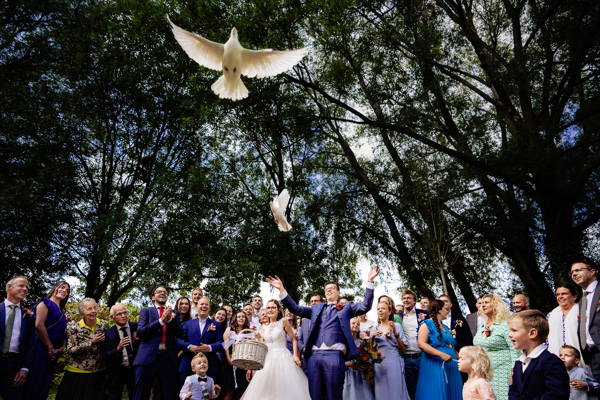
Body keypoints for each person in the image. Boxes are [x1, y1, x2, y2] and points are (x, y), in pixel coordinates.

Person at [267, 265, 379, 400]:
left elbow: (365, 305)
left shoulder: (347, 307)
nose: (328, 290)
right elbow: (296, 309)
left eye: (332, 288)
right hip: (314, 356)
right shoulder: (316, 308)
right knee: (315, 395)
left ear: (339, 293)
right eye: (326, 289)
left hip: (334, 355)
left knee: (333, 395)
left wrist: (370, 281)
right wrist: (282, 290)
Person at [240, 299, 309, 400]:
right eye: (268, 307)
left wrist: (295, 355)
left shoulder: (283, 321)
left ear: (278, 309)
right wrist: (258, 338)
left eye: (273, 307)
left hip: (283, 357)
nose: (270, 310)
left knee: (284, 388)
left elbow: (294, 340)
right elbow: (262, 345)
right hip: (268, 359)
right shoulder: (264, 326)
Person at [133, 285, 184, 400]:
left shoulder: (174, 313)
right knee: (141, 394)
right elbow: (140, 332)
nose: (162, 293)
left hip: (167, 358)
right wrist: (160, 321)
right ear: (153, 297)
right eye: (159, 292)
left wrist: (169, 320)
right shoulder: (146, 311)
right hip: (147, 358)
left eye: (165, 292)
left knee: (170, 395)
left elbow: (180, 333)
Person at [507, 310, 569, 399]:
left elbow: (557, 393)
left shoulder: (550, 361)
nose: (509, 334)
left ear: (532, 333)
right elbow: (514, 389)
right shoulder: (519, 362)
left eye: (514, 330)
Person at [56, 297, 109, 400]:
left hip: (99, 372)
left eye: (94, 308)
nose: (93, 311)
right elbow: (71, 349)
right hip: (77, 372)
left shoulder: (104, 325)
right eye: (89, 309)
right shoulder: (74, 328)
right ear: (82, 313)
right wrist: (91, 343)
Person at [24, 280, 70, 400]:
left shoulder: (62, 311)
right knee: (35, 379)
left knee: (44, 382)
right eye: (62, 287)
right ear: (55, 288)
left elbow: (63, 333)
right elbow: (39, 325)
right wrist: (50, 348)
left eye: (67, 290)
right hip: (41, 347)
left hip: (54, 352)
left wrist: (60, 349)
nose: (64, 291)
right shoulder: (45, 303)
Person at [472, 294, 520, 400]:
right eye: (482, 303)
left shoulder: (505, 325)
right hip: (485, 372)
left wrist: (514, 371)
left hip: (502, 372)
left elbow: (515, 349)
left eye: (486, 302)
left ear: (496, 305)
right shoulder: (483, 326)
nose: (483, 305)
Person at [414, 299, 462, 400]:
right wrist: (441, 354)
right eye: (445, 308)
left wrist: (463, 358)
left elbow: (451, 347)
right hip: (436, 364)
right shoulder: (426, 324)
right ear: (438, 310)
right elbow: (421, 344)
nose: (447, 311)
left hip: (451, 366)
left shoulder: (446, 327)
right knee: (437, 391)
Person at [0, 276, 35, 400]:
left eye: (27, 287)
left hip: (13, 366)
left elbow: (30, 344)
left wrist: (25, 368)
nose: (25, 289)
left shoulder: (28, 316)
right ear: (9, 287)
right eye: (21, 285)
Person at [178, 298, 224, 386]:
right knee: (186, 392)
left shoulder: (216, 325)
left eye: (206, 304)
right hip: (188, 365)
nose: (204, 306)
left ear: (209, 308)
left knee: (206, 393)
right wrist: (189, 347)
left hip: (209, 366)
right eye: (201, 304)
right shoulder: (188, 324)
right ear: (197, 307)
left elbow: (221, 343)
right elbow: (179, 341)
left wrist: (209, 348)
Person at [370, 301, 410, 400]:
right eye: (378, 309)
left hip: (393, 362)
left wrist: (395, 332)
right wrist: (372, 338)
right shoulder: (374, 328)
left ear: (389, 312)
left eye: (383, 308)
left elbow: (403, 349)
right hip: (379, 365)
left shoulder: (397, 326)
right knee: (381, 392)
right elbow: (371, 351)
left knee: (395, 390)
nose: (380, 310)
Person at [102, 304, 140, 400]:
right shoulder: (108, 334)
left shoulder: (137, 327)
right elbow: (106, 356)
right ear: (112, 317)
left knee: (136, 396)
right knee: (114, 397)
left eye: (124, 313)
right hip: (117, 371)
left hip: (135, 370)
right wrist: (118, 348)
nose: (123, 316)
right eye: (119, 314)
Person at [547, 285, 589, 370]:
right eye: (557, 294)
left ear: (574, 296)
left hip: (582, 358)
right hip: (556, 360)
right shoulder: (550, 316)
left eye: (564, 293)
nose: (560, 297)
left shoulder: (583, 312)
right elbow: (546, 340)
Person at [399, 288, 430, 399]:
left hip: (422, 357)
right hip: (406, 358)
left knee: (425, 387)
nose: (406, 300)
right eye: (404, 298)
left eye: (409, 298)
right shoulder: (398, 316)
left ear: (414, 300)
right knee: (411, 391)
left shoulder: (424, 314)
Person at [572, 259, 600, 382]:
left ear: (592, 272)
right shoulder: (582, 301)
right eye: (572, 272)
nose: (574, 274)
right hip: (592, 356)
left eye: (578, 270)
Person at [342, 317, 374, 400]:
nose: (356, 325)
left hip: (360, 376)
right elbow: (338, 362)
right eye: (353, 323)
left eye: (358, 324)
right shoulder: (343, 343)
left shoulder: (362, 343)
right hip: (348, 375)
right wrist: (352, 364)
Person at [221, 310, 250, 399]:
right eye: (239, 317)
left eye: (243, 317)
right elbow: (225, 346)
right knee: (228, 394)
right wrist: (228, 359)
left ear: (245, 319)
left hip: (242, 364)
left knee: (241, 393)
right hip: (230, 363)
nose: (241, 318)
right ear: (235, 319)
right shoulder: (229, 330)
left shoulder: (248, 332)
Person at [298, 293, 323, 375]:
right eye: (312, 301)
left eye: (316, 301)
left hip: (322, 356)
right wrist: (303, 348)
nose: (313, 303)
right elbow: (299, 339)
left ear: (322, 303)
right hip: (307, 358)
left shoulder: (325, 318)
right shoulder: (305, 321)